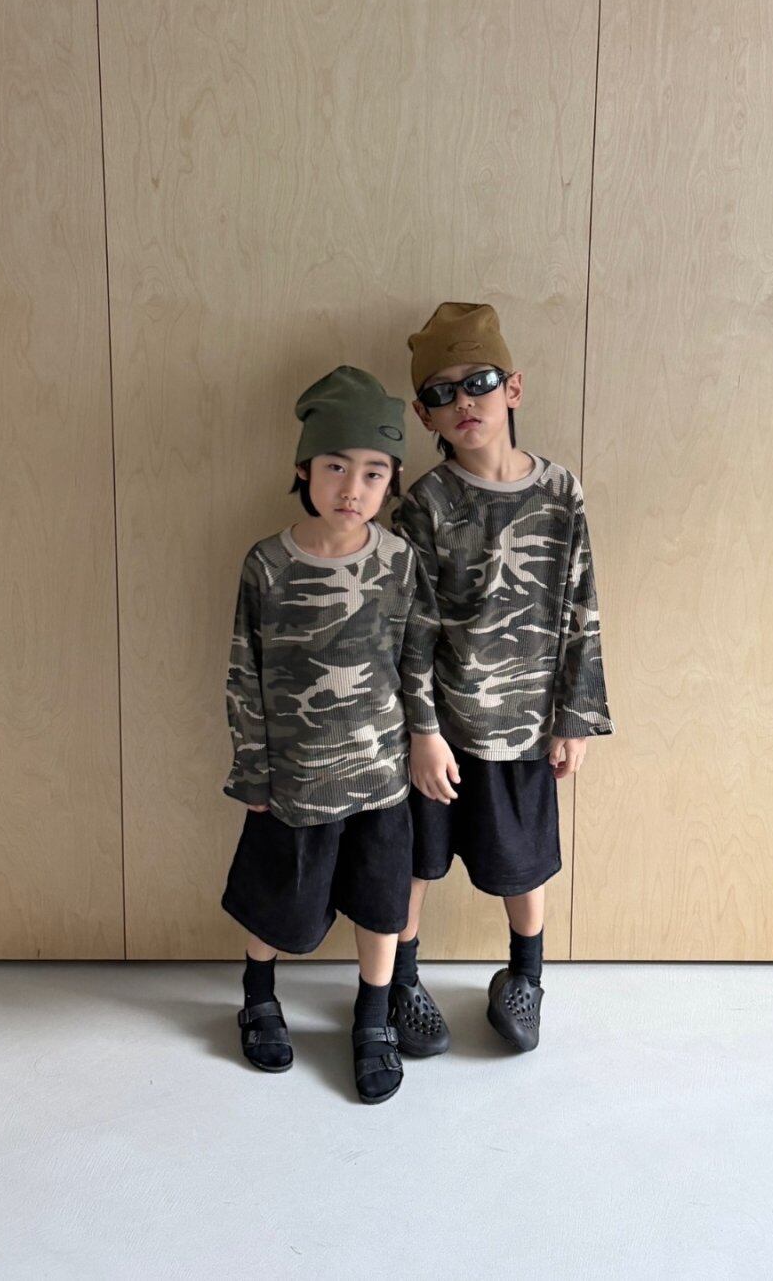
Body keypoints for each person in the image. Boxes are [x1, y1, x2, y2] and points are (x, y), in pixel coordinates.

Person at [388, 302, 612, 1053]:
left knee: (523, 864)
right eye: (441, 392)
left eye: (478, 381)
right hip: (442, 731)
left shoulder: (561, 492)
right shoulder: (426, 505)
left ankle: (525, 976)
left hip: (523, 728)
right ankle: (401, 981)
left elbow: (581, 605)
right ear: (424, 414)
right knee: (416, 861)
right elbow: (411, 630)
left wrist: (575, 716)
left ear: (512, 387)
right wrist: (422, 732)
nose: (463, 401)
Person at [219, 365, 440, 1103]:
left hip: (381, 780)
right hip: (295, 780)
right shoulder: (268, 563)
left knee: (382, 903)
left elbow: (415, 661)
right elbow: (244, 672)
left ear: (391, 480)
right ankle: (258, 997)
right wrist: (253, 771)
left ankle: (372, 1018)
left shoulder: (399, 562)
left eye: (375, 472)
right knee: (276, 900)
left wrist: (424, 739)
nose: (353, 487)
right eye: (336, 467)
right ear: (303, 470)